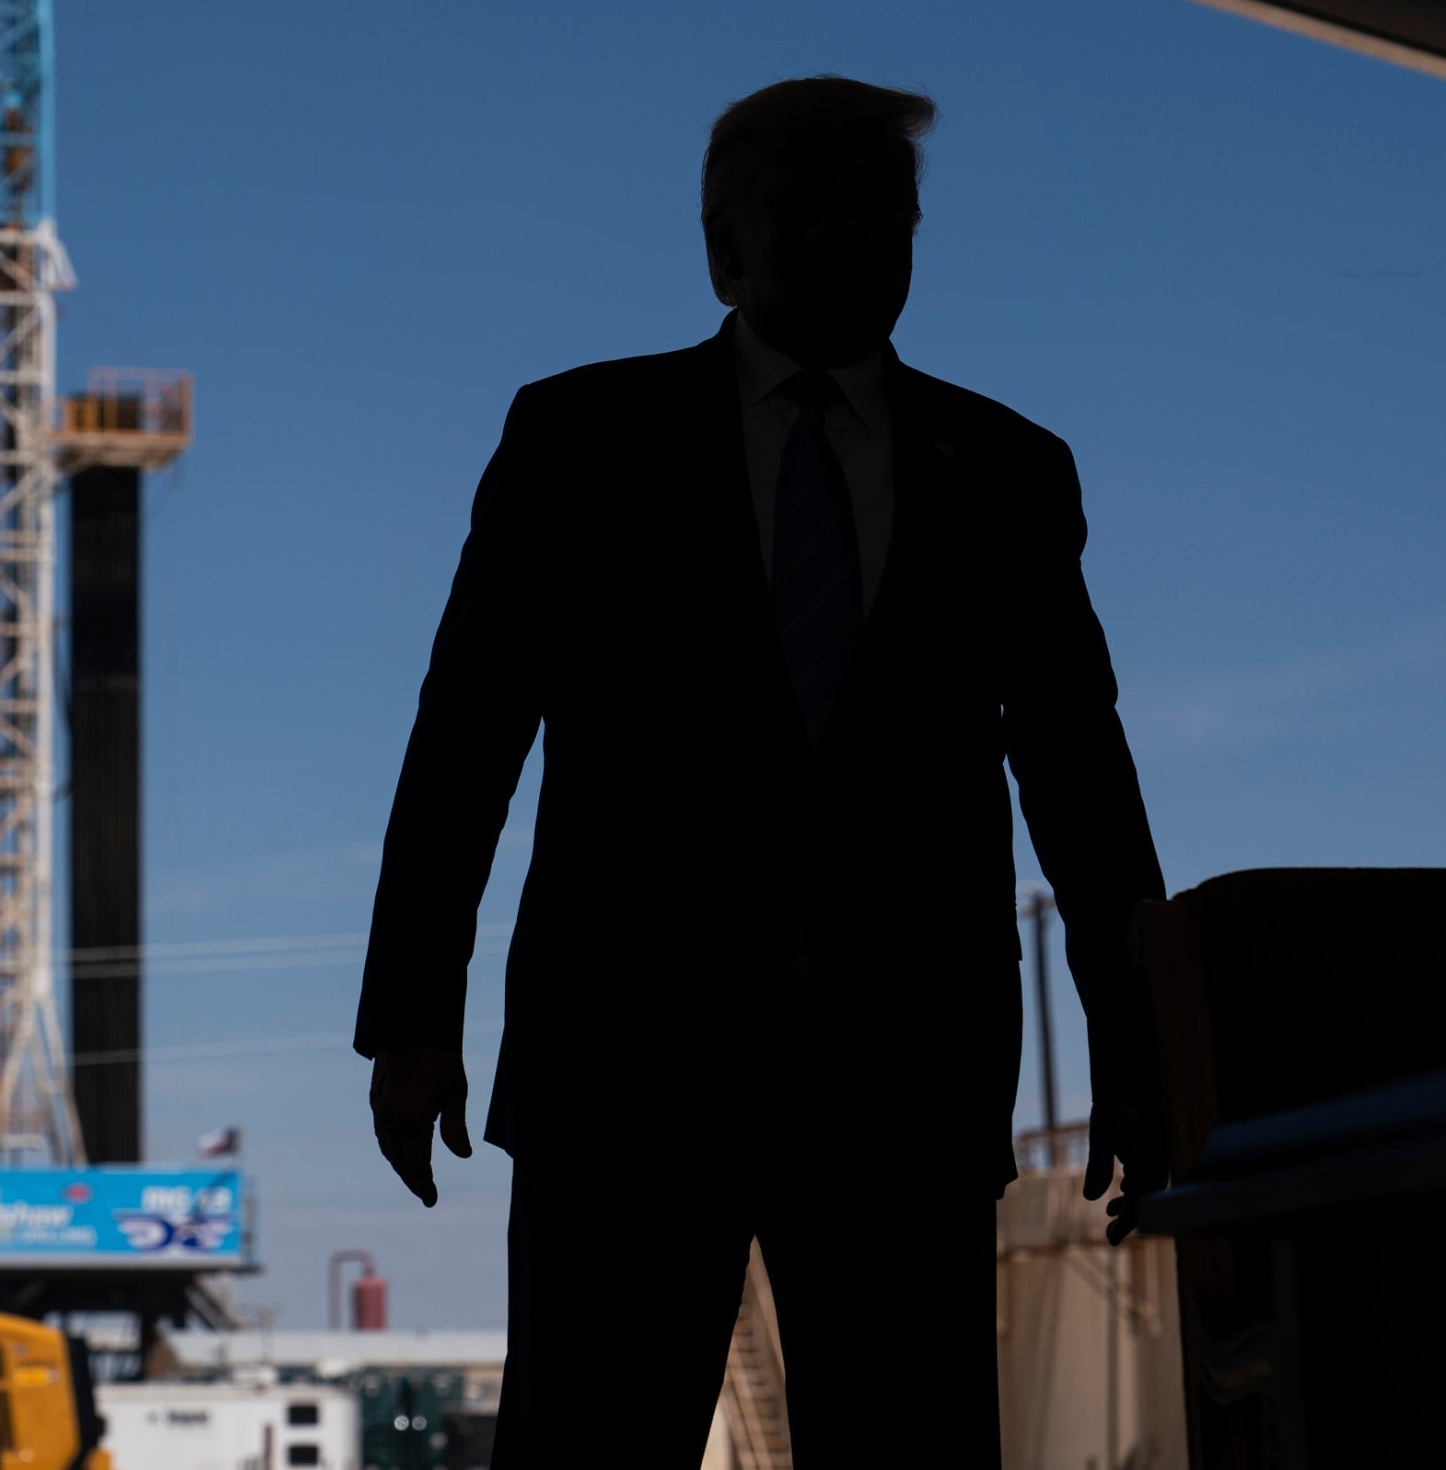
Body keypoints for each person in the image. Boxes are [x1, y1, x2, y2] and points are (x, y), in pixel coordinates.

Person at [353, 77, 1163, 1464]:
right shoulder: (580, 441)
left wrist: (1145, 1043)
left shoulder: (1010, 472)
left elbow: (1082, 772)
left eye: (888, 212)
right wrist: (413, 1017)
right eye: (817, 207)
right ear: (722, 245)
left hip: (902, 1081)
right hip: (625, 1076)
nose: (861, 237)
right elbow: (466, 735)